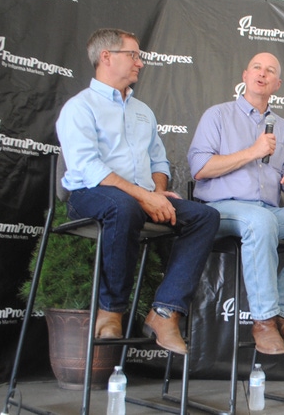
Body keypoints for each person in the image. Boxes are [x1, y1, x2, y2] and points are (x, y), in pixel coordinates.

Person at [56, 28, 220, 355]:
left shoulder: (143, 110)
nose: (140, 63)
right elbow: (89, 167)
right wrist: (144, 197)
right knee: (124, 206)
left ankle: (165, 311)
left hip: (141, 197)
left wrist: (157, 192)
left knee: (205, 217)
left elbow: (159, 160)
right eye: (133, 55)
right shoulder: (80, 107)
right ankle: (111, 310)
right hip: (91, 195)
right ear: (106, 57)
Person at [187, 52, 284, 355]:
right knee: (262, 221)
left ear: (277, 84)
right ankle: (264, 321)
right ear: (244, 76)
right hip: (221, 208)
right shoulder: (218, 115)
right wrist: (253, 151)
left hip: (267, 209)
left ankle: (282, 311)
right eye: (256, 67)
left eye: (270, 71)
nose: (262, 73)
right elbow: (200, 169)